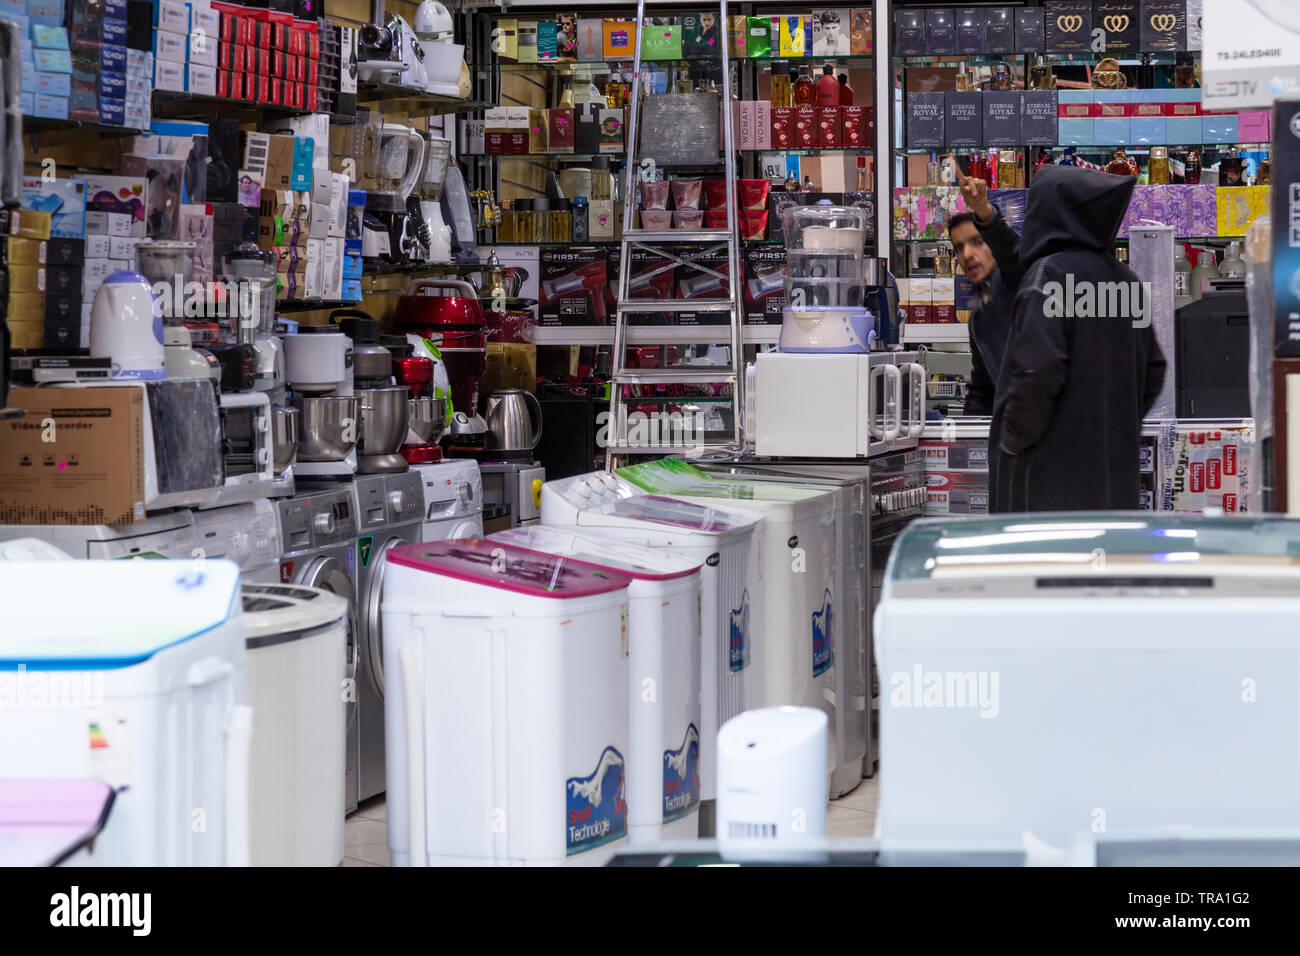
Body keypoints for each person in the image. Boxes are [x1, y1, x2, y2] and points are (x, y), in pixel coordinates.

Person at [989, 164, 1166, 512]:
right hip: (1113, 479)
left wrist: (1012, 441)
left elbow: (1036, 371)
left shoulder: (1047, 275)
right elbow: (1154, 369)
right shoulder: (1126, 281)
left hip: (1047, 485)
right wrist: (1115, 427)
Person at [947, 164, 1026, 416]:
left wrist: (983, 209)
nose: (967, 255)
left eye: (977, 242)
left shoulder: (1016, 281)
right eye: (958, 248)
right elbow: (981, 389)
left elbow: (1013, 254)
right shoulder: (979, 309)